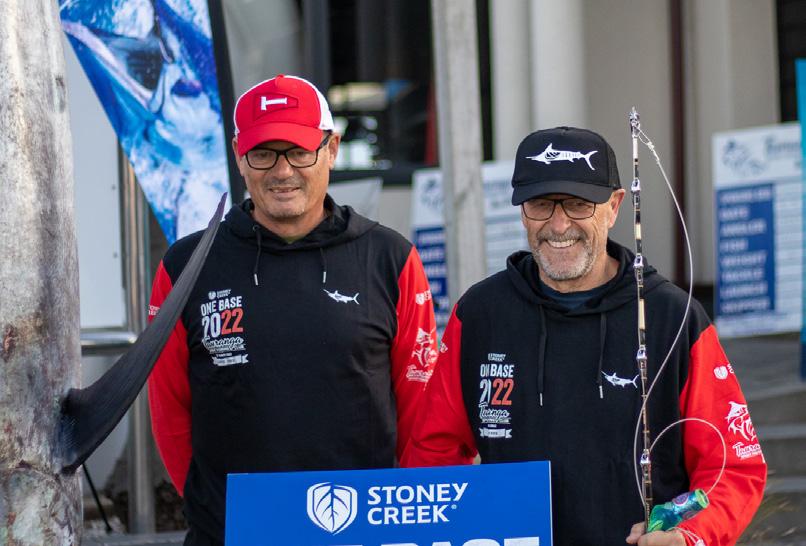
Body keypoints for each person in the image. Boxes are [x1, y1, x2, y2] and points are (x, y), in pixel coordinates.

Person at [401, 127, 767, 546]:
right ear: (521, 210)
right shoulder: (480, 314)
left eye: (578, 204)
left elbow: (733, 468)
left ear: (614, 206)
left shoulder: (672, 316)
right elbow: (433, 455)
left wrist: (689, 534)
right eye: (541, 204)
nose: (559, 226)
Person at [148, 74, 437, 545]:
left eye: (299, 151)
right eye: (263, 153)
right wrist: (216, 512)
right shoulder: (186, 265)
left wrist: (405, 522)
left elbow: (422, 410)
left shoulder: (390, 258)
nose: (282, 171)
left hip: (361, 533)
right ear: (239, 154)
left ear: (331, 149)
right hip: (232, 534)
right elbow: (169, 412)